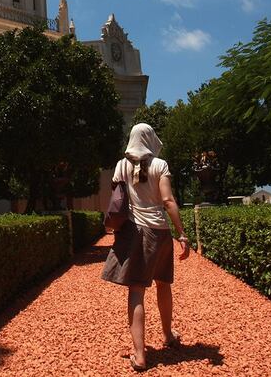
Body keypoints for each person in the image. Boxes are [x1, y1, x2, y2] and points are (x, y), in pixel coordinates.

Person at [101, 123, 190, 372]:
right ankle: (167, 336)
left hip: (135, 231)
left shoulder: (121, 165)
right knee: (164, 283)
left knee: (137, 291)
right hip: (160, 232)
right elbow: (168, 200)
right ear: (149, 139)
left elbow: (117, 200)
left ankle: (140, 355)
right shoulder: (160, 165)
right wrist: (182, 234)